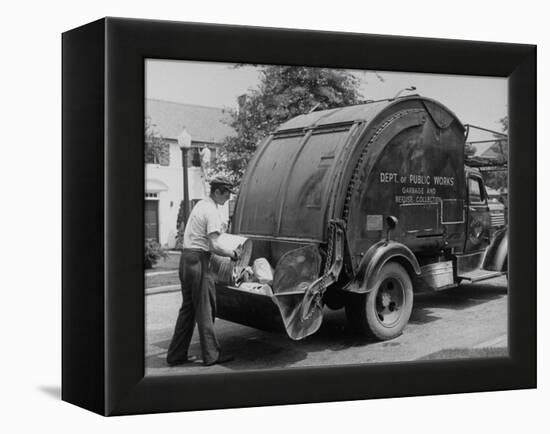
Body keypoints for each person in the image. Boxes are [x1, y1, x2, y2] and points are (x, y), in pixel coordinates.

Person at [166, 175, 239, 366]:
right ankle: (211, 355)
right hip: (199, 260)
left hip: (186, 260)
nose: (228, 198)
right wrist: (233, 253)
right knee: (206, 309)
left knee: (188, 310)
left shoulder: (200, 206)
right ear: (216, 192)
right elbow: (214, 245)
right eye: (226, 194)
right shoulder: (211, 210)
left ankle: (176, 355)